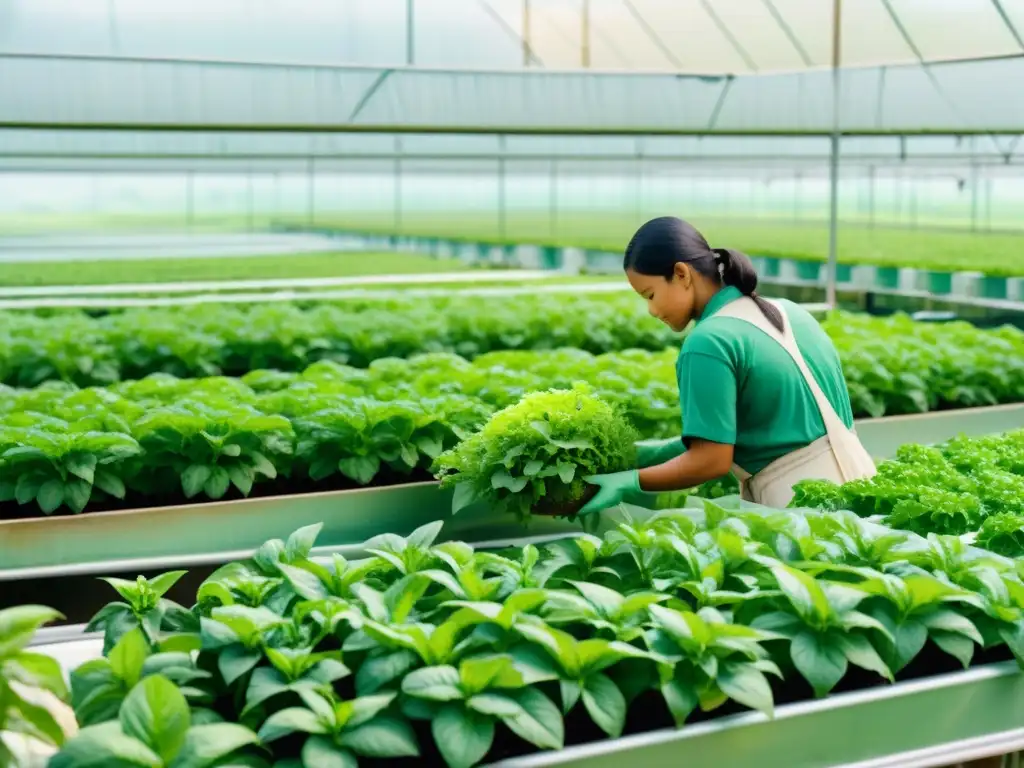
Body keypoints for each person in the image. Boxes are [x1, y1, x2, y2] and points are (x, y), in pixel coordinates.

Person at [579, 216, 876, 515]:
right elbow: (756, 434)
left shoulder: (708, 343)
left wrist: (630, 481)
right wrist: (646, 454)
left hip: (799, 510)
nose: (652, 310)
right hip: (861, 486)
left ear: (681, 274)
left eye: (650, 295)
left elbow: (711, 459)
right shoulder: (791, 313)